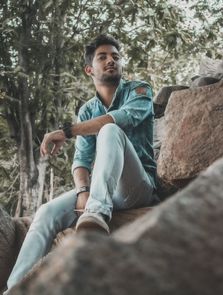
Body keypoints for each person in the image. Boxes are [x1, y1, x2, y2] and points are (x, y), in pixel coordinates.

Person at [5, 34, 159, 292]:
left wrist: (66, 131)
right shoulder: (88, 109)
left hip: (138, 188)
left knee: (110, 130)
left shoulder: (139, 90)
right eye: (103, 57)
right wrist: (82, 191)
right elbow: (81, 160)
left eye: (116, 56)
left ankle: (95, 217)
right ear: (90, 69)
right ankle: (14, 288)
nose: (111, 60)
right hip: (104, 189)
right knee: (46, 212)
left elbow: (121, 119)